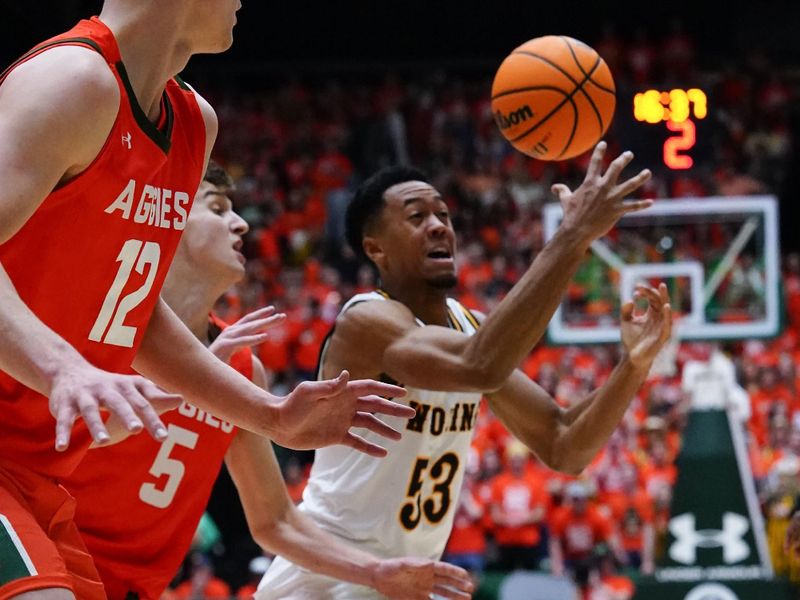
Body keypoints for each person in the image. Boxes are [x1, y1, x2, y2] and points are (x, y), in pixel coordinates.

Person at [0, 3, 411, 598]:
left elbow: (134, 316)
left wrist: (270, 417)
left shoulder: (194, 123)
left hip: (34, 474)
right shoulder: (73, 79)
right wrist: (64, 366)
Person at [258, 146, 673, 598]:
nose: (439, 225)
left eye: (444, 215)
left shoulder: (468, 326)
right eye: (417, 217)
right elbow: (480, 365)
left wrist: (634, 365)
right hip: (325, 579)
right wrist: (573, 237)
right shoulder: (365, 322)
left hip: (400, 580)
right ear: (375, 248)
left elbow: (564, 444)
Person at [64, 162, 473, 600]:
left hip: (130, 587)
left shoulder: (242, 367)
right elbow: (55, 438)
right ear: (167, 218)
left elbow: (274, 521)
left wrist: (374, 572)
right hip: (50, 554)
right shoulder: (99, 319)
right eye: (217, 208)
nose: (239, 223)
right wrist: (190, 377)